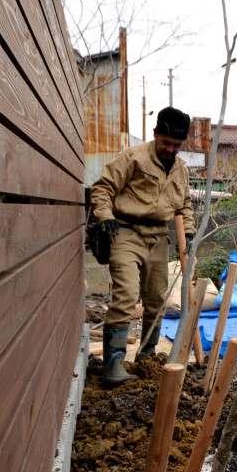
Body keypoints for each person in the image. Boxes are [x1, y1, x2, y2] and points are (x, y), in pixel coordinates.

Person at [91, 107, 195, 386]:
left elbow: (184, 205)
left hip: (159, 238)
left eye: (176, 145)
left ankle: (147, 356)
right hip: (125, 231)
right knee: (126, 295)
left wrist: (189, 231)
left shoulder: (182, 170)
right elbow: (102, 188)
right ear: (155, 134)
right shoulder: (133, 157)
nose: (170, 149)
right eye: (165, 143)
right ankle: (113, 365)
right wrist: (105, 217)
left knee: (158, 300)